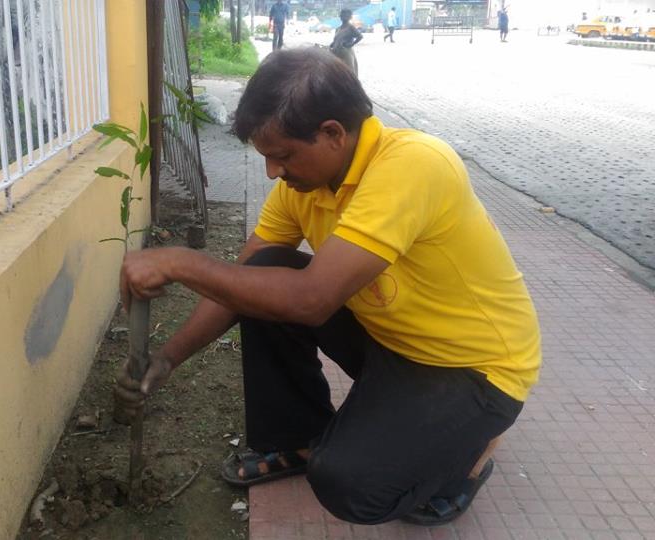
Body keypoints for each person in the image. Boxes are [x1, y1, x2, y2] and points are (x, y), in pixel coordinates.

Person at [115, 47, 541, 526]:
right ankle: (297, 438)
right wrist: (166, 359)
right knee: (264, 271)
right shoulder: (305, 187)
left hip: (470, 369)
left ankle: (468, 457)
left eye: (282, 156)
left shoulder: (414, 164)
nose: (273, 172)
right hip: (391, 342)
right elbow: (241, 279)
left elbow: (312, 301)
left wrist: (180, 262)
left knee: (349, 483)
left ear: (333, 134)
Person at [330, 9, 363, 75]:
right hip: (336, 52)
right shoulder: (338, 29)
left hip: (346, 53)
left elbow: (360, 36)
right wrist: (332, 44)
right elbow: (336, 40)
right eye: (342, 15)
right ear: (340, 17)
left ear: (350, 17)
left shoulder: (351, 27)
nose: (344, 17)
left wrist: (351, 44)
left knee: (349, 72)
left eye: (346, 15)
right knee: (338, 72)